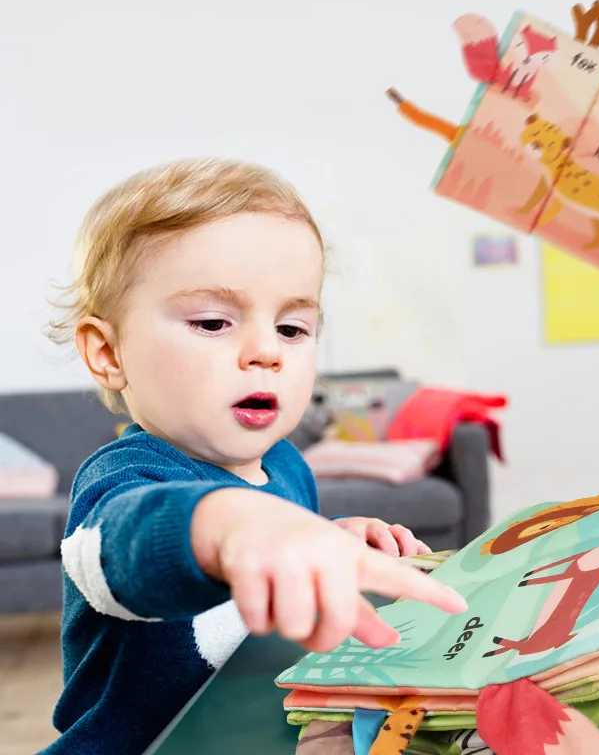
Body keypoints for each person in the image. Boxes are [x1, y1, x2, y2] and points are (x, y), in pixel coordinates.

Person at [42, 158, 467, 754]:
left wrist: (330, 543)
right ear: (108, 352)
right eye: (214, 322)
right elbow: (122, 549)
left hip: (256, 724)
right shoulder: (122, 480)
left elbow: (269, 588)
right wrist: (228, 527)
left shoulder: (288, 464)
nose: (266, 351)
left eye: (293, 329)